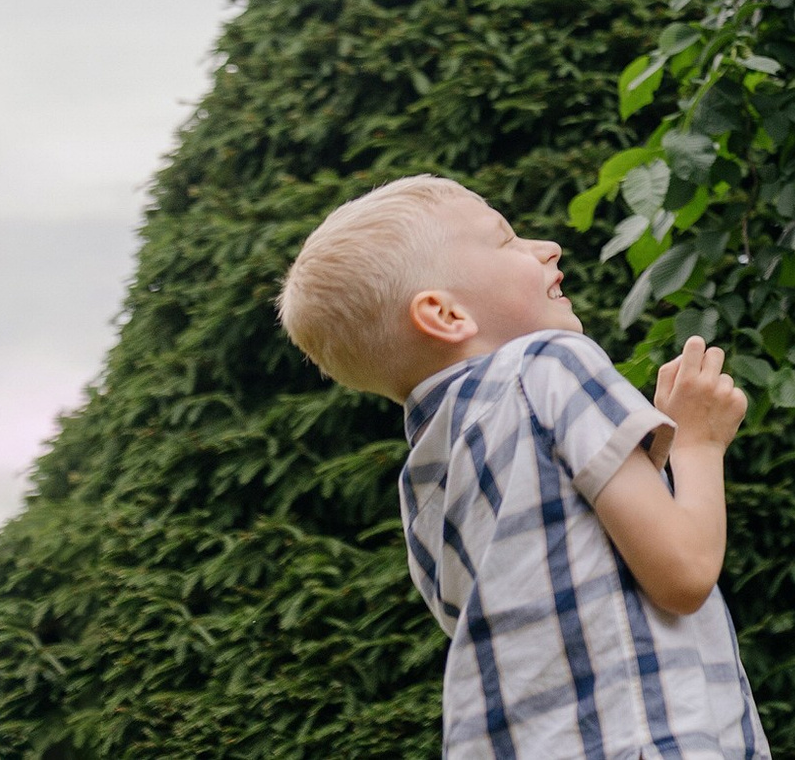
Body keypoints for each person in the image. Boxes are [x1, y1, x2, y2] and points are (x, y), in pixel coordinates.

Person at [276, 174, 768, 760]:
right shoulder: (550, 366)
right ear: (445, 313)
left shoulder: (424, 486)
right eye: (505, 240)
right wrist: (697, 444)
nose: (547, 248)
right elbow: (683, 572)